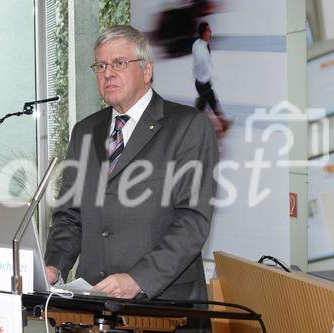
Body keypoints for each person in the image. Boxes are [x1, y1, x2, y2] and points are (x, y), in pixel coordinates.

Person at [45, 25, 218, 331]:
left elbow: (193, 220)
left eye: (119, 63)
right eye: (101, 65)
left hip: (163, 310)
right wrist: (54, 266)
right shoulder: (85, 131)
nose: (108, 73)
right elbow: (70, 215)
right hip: (94, 309)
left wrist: (139, 279)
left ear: (147, 70)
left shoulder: (188, 126)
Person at [192, 22, 231, 136]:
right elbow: (200, 63)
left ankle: (194, 125)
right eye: (209, 30)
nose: (211, 32)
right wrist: (204, 74)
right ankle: (223, 124)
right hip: (202, 82)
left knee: (203, 104)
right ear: (204, 33)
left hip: (203, 82)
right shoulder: (201, 51)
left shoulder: (198, 44)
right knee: (213, 102)